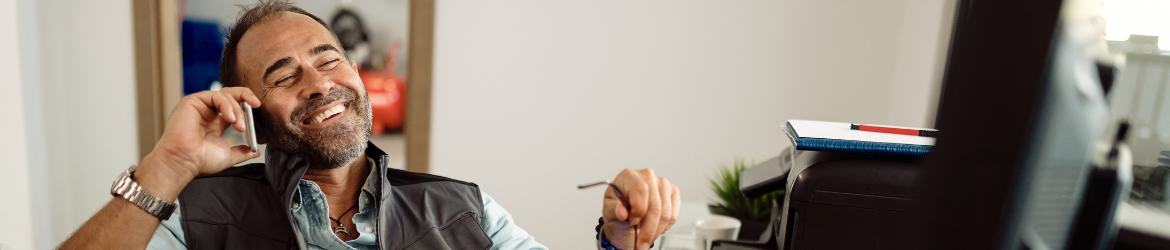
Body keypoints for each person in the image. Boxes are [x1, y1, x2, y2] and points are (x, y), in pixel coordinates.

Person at [57, 1, 680, 249]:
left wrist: (619, 240)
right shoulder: (197, 219)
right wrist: (166, 168)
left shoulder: (463, 211)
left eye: (328, 60)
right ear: (253, 117)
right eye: (283, 75)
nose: (319, 81)